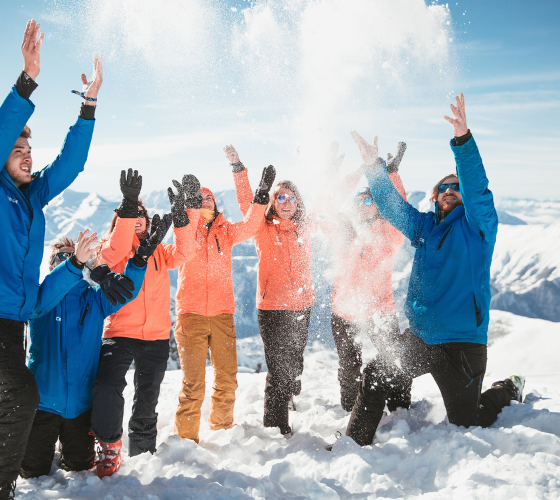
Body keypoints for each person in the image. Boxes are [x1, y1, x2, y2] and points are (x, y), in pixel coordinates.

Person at [0, 20, 103, 499]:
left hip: (11, 322)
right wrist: (26, 80)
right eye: (20, 149)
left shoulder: (32, 199)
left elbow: (71, 166)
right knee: (20, 394)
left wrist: (88, 104)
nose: (28, 156)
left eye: (30, 149)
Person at [345, 94, 524, 447]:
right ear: (434, 196)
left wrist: (463, 141)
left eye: (456, 187)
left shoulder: (479, 228)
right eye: (443, 187)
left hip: (462, 345)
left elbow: (478, 191)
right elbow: (393, 208)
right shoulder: (424, 228)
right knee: (376, 374)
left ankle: (506, 389)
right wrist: (372, 167)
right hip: (422, 338)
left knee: (467, 423)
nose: (450, 190)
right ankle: (353, 444)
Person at [20, 205, 164, 478]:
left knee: (79, 469)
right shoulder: (39, 299)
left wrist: (139, 262)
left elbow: (126, 292)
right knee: (32, 472)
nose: (65, 261)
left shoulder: (94, 298)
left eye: (71, 258)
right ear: (52, 267)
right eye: (59, 259)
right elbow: (43, 300)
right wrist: (73, 263)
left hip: (80, 409)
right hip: (42, 407)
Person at [90, 173, 201, 477]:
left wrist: (182, 218)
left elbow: (186, 252)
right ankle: (108, 445)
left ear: (149, 222)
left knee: (147, 399)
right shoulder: (111, 251)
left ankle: (142, 454)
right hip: (119, 333)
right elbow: (115, 248)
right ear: (119, 223)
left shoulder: (160, 253)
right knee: (108, 386)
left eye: (141, 213)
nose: (137, 218)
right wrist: (128, 206)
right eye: (129, 215)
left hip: (155, 338)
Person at [172, 149, 275, 443]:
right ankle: (185, 441)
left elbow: (253, 226)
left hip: (221, 315)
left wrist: (261, 196)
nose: (206, 201)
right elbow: (184, 234)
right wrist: (189, 211)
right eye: (201, 198)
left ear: (217, 203)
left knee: (227, 379)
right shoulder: (187, 230)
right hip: (190, 315)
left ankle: (221, 431)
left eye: (210, 198)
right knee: (193, 383)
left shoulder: (226, 231)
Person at [316, 141, 411, 412]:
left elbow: (399, 209)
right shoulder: (342, 231)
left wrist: (389, 175)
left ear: (377, 206)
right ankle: (350, 410)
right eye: (359, 199)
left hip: (380, 311)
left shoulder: (388, 232)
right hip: (344, 312)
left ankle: (400, 410)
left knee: (393, 361)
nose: (362, 203)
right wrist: (330, 173)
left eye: (369, 199)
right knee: (349, 367)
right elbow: (324, 206)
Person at [231, 147, 314, 436]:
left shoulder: (306, 227)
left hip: (302, 307)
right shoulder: (262, 228)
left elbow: (334, 206)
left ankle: (292, 383)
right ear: (273, 202)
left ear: (298, 202)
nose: (287, 202)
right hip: (272, 309)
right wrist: (239, 168)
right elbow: (246, 204)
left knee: (294, 363)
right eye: (280, 197)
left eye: (292, 198)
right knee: (278, 371)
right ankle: (276, 427)